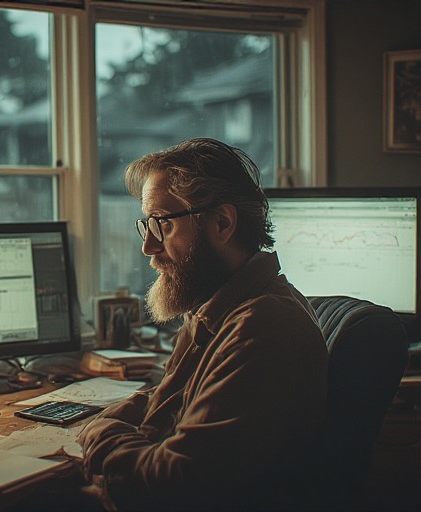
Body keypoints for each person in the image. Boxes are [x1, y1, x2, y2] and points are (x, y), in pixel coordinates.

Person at [77, 138, 328, 511]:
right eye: (147, 224)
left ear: (222, 223)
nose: (148, 245)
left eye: (162, 223)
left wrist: (99, 432)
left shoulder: (262, 329)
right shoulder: (219, 308)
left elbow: (169, 486)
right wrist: (125, 414)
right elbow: (172, 400)